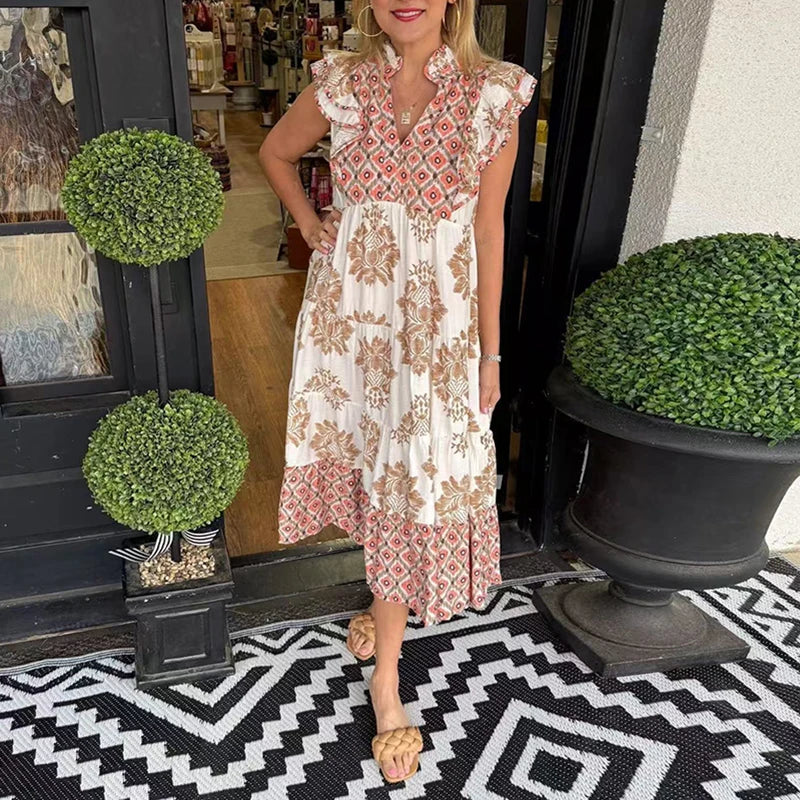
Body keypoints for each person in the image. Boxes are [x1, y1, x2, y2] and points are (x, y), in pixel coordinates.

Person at [259, 0, 536, 785]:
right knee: (374, 471)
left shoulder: (494, 94)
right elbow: (276, 152)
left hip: (437, 337)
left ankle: (386, 661)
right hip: (355, 327)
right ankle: (385, 662)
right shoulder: (344, 83)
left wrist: (489, 353)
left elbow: (489, 231)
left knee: (414, 481)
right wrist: (313, 226)